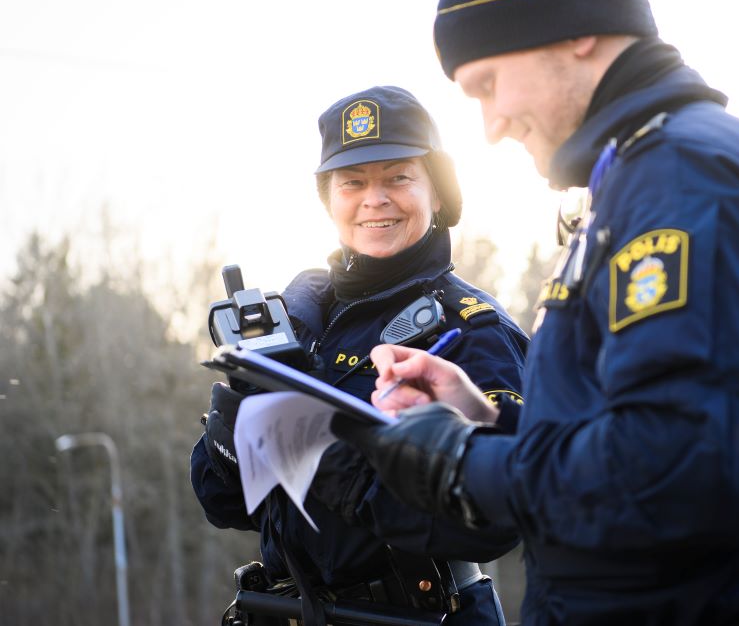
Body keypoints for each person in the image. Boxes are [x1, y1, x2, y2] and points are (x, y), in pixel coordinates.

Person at [328, 0, 739, 625]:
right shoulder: (643, 175)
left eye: (488, 85)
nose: (492, 125)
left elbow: (677, 472)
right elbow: (634, 429)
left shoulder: (685, 179)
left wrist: (462, 464)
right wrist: (486, 420)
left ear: (576, 32)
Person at [191, 85, 530, 625]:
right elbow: (225, 505)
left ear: (438, 193)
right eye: (352, 182)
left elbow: (500, 517)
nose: (375, 198)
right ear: (329, 199)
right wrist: (230, 440)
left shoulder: (470, 330)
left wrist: (333, 463)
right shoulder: (297, 320)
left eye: (398, 177)